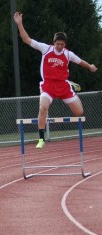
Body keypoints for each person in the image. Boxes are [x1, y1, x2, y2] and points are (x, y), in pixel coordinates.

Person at [13, 12, 98, 149]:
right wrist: (19, 23)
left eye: (62, 44)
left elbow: (80, 61)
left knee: (79, 113)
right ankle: (41, 139)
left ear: (65, 44)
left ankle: (70, 86)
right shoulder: (46, 49)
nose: (59, 46)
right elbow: (27, 40)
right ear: (54, 43)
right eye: (58, 44)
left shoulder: (67, 54)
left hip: (63, 86)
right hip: (48, 86)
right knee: (43, 107)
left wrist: (90, 67)